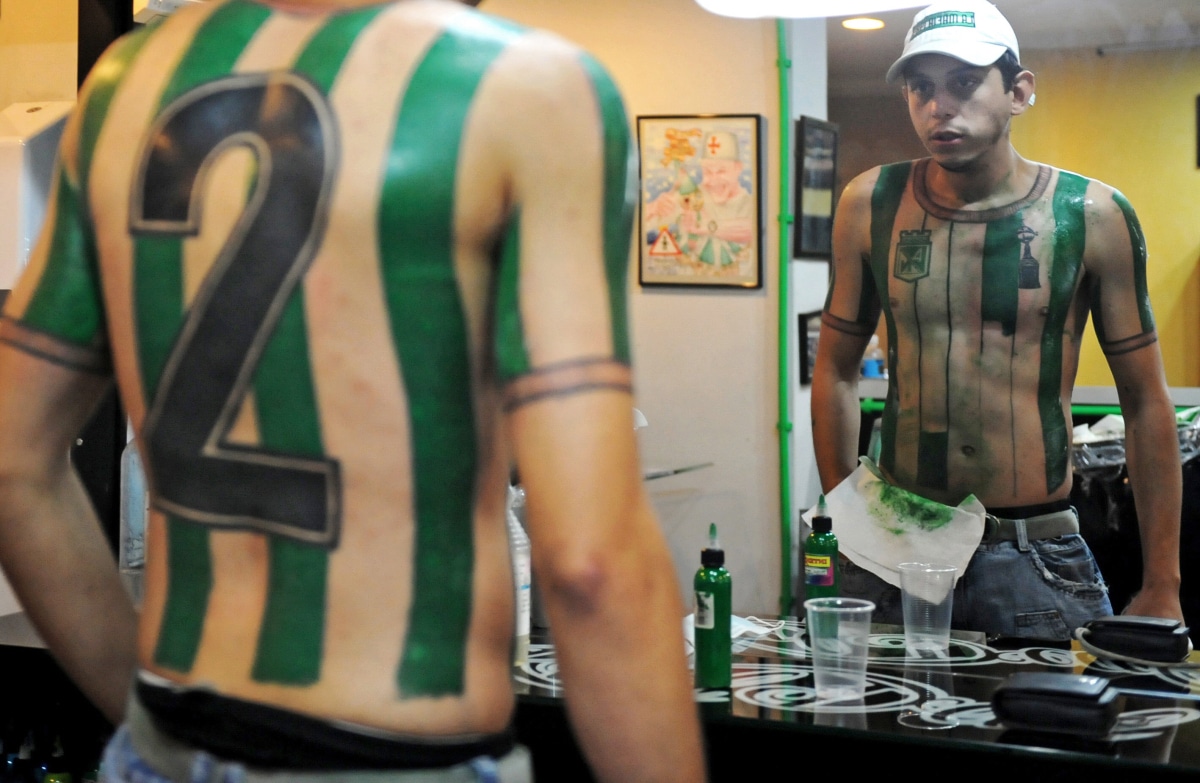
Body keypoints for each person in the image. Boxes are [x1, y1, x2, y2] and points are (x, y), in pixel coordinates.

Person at [0, 1, 706, 781]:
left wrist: (140, 709)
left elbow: (11, 461)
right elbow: (591, 563)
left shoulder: (127, 83)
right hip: (400, 753)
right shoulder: (529, 88)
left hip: (164, 741)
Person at [811, 0, 1183, 640]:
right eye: (921, 87)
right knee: (869, 733)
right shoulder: (869, 203)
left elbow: (1147, 402)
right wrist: (845, 521)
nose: (938, 106)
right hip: (895, 545)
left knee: (1062, 736)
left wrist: (1162, 583)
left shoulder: (1090, 214)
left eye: (963, 82)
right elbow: (837, 371)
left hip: (1032, 550)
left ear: (1018, 91)